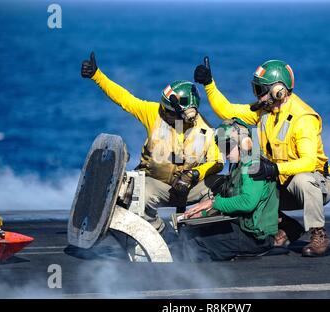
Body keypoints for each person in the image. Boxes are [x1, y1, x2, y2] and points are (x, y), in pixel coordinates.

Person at [194, 57, 330, 257]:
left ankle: (318, 234)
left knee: (303, 180)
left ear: (279, 91)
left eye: (260, 90)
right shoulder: (265, 112)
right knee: (249, 183)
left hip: (314, 183)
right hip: (281, 180)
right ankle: (288, 227)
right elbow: (227, 111)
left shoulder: (303, 118)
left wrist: (274, 169)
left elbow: (309, 162)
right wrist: (209, 85)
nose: (257, 95)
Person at [81, 52, 224, 233]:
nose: (163, 113)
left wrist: (195, 174)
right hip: (156, 187)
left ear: (189, 113)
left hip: (188, 190)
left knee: (224, 187)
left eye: (169, 111)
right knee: (138, 193)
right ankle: (158, 231)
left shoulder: (206, 131)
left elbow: (217, 162)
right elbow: (126, 99)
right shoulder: (154, 113)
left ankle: (194, 231)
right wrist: (97, 76)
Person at [177, 118, 285, 262]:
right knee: (188, 233)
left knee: (195, 244)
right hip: (241, 226)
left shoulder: (254, 165)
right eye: (221, 147)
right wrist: (200, 214)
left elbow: (248, 203)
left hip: (255, 237)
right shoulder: (238, 164)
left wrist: (213, 203)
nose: (225, 153)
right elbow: (230, 199)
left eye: (228, 146)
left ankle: (202, 281)